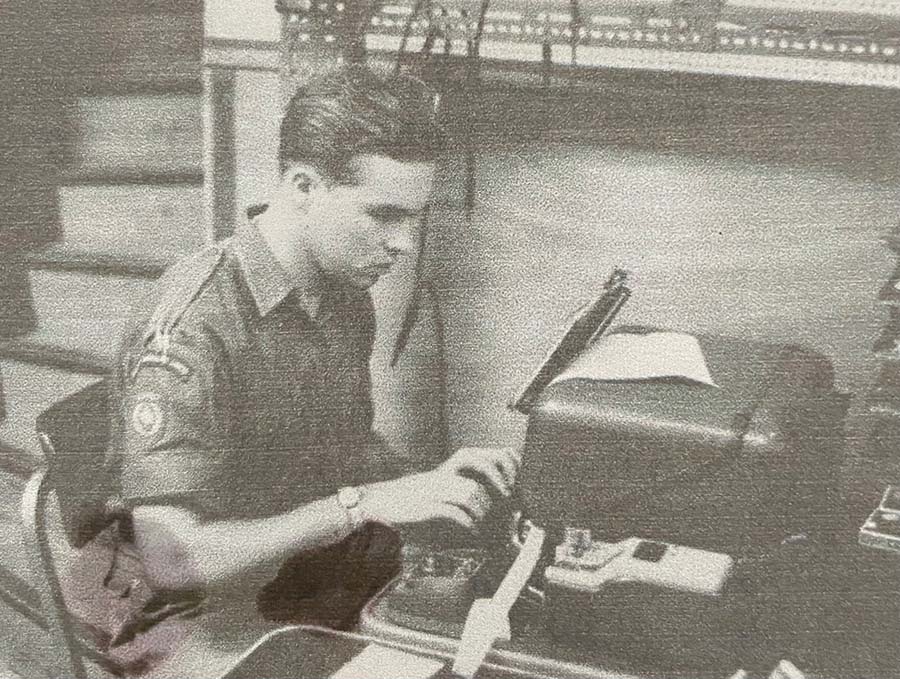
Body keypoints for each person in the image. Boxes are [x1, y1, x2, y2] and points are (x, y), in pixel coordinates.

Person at [100, 64, 519, 661]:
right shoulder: (197, 323)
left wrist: (432, 480)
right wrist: (363, 504)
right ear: (301, 187)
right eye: (384, 215)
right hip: (176, 616)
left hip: (295, 576)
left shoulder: (343, 294)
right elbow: (173, 560)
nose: (402, 245)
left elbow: (337, 447)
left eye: (413, 220)